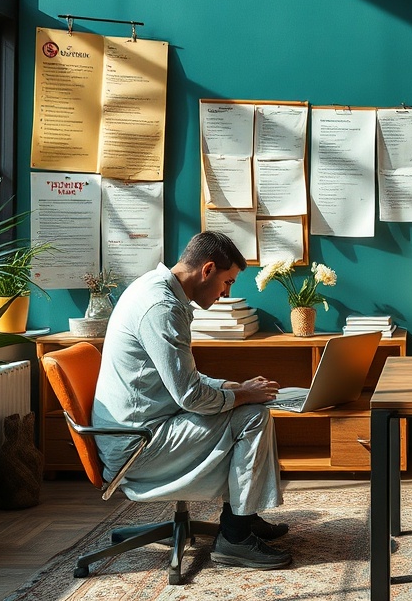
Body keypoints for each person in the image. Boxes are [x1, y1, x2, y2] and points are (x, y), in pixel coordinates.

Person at [92, 231, 291, 569]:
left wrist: (231, 386)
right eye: (226, 282)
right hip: (137, 447)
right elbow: (188, 395)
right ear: (208, 269)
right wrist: (242, 395)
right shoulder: (161, 308)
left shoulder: (156, 289)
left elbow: (184, 379)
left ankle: (243, 515)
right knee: (253, 415)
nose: (227, 292)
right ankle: (236, 537)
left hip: (141, 428)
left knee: (249, 407)